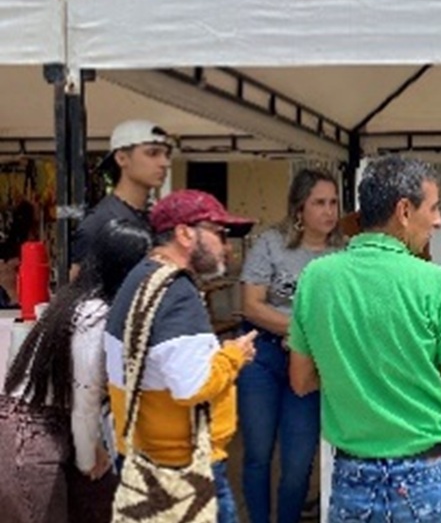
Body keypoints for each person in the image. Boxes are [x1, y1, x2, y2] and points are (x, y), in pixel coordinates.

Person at [288, 155, 441, 523]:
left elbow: (301, 380)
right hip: (427, 474)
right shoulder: (436, 283)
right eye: (434, 208)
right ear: (404, 210)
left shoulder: (316, 277)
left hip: (352, 475)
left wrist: (355, 375)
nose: (438, 220)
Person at [104, 189, 258, 523]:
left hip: (143, 463)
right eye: (219, 234)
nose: (227, 247)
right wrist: (233, 355)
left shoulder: (138, 280)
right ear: (185, 233)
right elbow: (191, 385)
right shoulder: (177, 294)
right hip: (183, 473)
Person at [0, 218, 153, 523]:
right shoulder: (94, 314)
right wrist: (87, 455)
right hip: (32, 434)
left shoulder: (82, 303)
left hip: (57, 428)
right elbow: (85, 397)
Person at [238, 167, 342, 523]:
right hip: (263, 357)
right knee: (258, 454)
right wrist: (303, 330)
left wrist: (306, 338)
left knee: (299, 462)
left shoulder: (342, 254)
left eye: (333, 202)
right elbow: (251, 305)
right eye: (319, 203)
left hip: (312, 365)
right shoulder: (271, 242)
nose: (329, 211)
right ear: (300, 208)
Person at [70, 119, 172, 278]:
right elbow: (77, 289)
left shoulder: (157, 218)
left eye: (167, 154)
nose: (164, 163)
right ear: (122, 158)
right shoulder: (101, 223)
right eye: (152, 153)